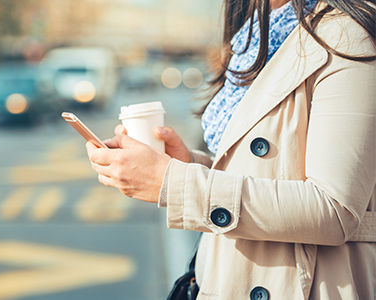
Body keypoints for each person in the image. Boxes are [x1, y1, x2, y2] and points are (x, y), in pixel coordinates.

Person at [86, 0, 376, 299]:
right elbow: (270, 168)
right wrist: (187, 164)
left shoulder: (345, 35)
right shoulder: (254, 36)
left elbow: (333, 210)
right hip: (226, 278)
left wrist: (173, 182)